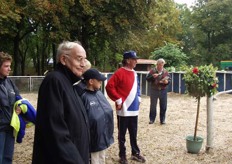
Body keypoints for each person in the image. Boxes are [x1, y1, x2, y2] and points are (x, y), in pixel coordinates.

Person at [32, 41, 90, 164]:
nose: (83, 64)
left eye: (84, 60)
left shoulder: (69, 83)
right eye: (79, 59)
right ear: (63, 59)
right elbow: (55, 132)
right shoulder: (54, 81)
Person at [106, 50, 146, 164]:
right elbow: (109, 86)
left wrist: (138, 97)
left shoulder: (134, 73)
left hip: (134, 108)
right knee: (122, 134)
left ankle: (135, 152)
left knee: (133, 132)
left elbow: (137, 86)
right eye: (134, 59)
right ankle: (122, 155)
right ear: (128, 61)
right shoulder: (119, 72)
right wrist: (118, 99)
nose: (136, 61)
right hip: (124, 109)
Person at [80, 68, 114, 164]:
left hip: (103, 135)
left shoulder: (99, 94)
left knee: (102, 158)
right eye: (98, 80)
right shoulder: (84, 97)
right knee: (94, 159)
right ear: (91, 81)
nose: (101, 82)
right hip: (93, 138)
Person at [0, 52, 22, 164]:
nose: (9, 69)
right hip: (0, 128)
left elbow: (19, 99)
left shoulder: (10, 83)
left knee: (8, 158)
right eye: (6, 66)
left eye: (10, 66)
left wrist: (19, 107)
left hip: (10, 128)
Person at [146, 58, 171, 125]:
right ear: (157, 64)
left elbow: (169, 80)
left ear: (163, 65)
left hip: (163, 90)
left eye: (161, 65)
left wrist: (167, 82)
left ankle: (162, 120)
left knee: (163, 106)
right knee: (153, 106)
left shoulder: (165, 72)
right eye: (159, 65)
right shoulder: (152, 71)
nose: (160, 66)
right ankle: (152, 119)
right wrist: (153, 77)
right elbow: (147, 79)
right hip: (154, 90)